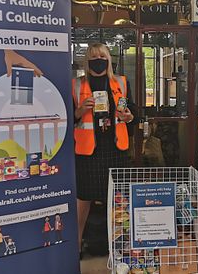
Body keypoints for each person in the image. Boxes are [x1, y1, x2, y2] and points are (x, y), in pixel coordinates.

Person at [72, 43, 135, 255]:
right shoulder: (77, 85)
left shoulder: (121, 83)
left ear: (109, 59)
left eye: (102, 55)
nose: (98, 59)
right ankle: (76, 246)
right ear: (86, 60)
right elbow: (67, 118)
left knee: (117, 202)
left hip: (115, 149)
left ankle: (118, 248)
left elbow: (133, 113)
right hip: (88, 151)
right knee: (83, 200)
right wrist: (80, 110)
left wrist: (128, 116)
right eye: (93, 56)